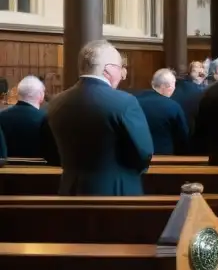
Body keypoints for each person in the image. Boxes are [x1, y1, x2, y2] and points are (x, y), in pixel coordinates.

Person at [41, 41, 154, 195]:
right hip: (117, 191)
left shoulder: (56, 102)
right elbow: (144, 152)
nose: (122, 74)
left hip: (70, 191)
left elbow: (50, 151)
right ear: (108, 69)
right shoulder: (125, 102)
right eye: (120, 68)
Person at [135, 69, 190, 156]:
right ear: (166, 86)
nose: (174, 88)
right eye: (173, 85)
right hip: (165, 158)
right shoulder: (173, 106)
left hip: (136, 156)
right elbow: (183, 136)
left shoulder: (134, 101)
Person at [0, 75, 47, 158]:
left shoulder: (1, 116)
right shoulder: (46, 119)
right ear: (41, 95)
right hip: (39, 169)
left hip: (6, 168)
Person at [173, 61, 207, 125]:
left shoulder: (203, 84)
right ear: (190, 72)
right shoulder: (185, 85)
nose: (198, 72)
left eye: (200, 67)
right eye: (194, 70)